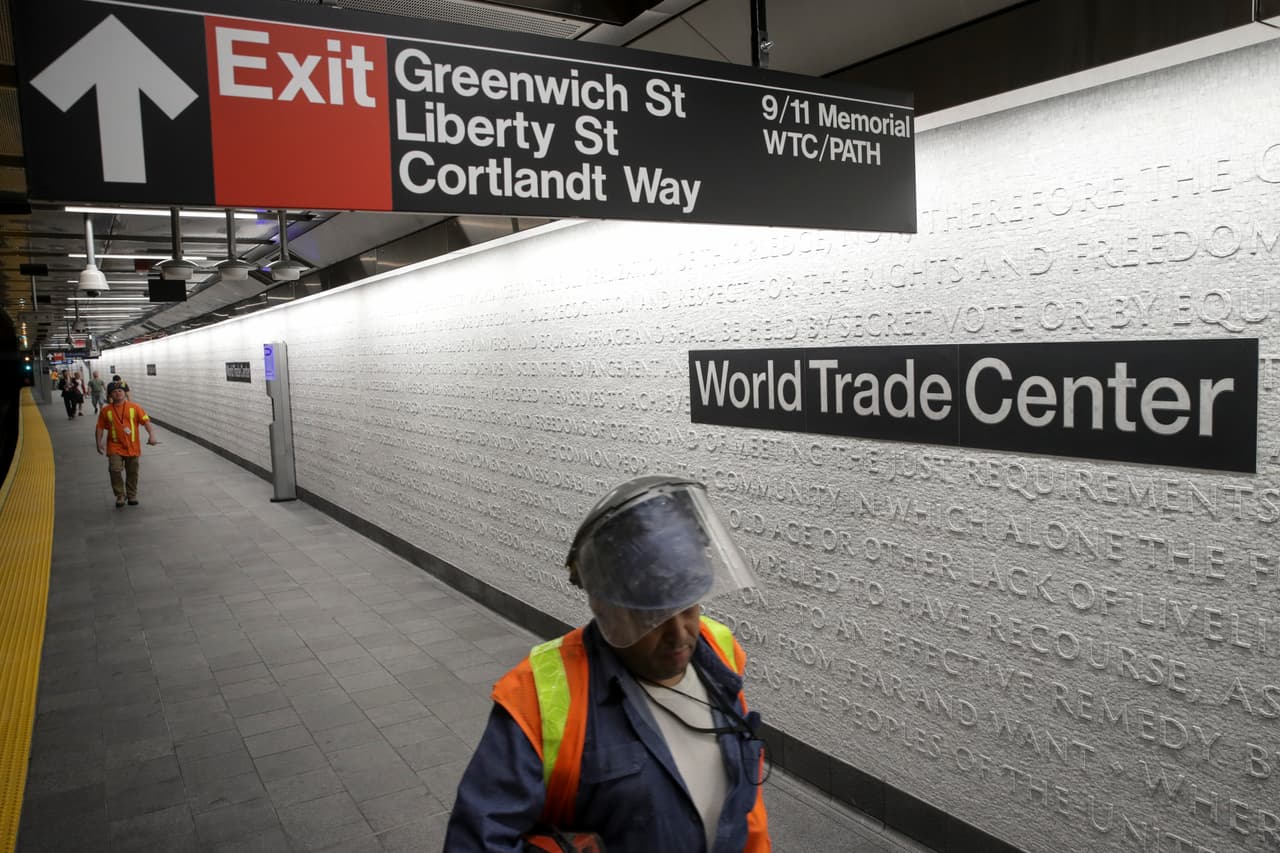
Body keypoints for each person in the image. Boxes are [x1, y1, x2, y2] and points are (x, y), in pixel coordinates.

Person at [446, 476, 771, 853]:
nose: (680, 632)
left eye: (689, 603)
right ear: (609, 611)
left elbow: (745, 806)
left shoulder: (719, 649)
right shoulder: (540, 694)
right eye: (655, 615)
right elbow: (476, 842)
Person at [95, 381, 157, 507]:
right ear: (110, 395)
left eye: (120, 391)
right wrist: (98, 442)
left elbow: (146, 422)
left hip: (132, 446)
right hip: (114, 446)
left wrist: (152, 435)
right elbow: (100, 428)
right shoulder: (106, 411)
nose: (118, 393)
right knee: (115, 470)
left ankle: (132, 494)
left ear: (124, 393)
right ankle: (120, 495)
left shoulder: (135, 407)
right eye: (114, 391)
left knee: (132, 472)